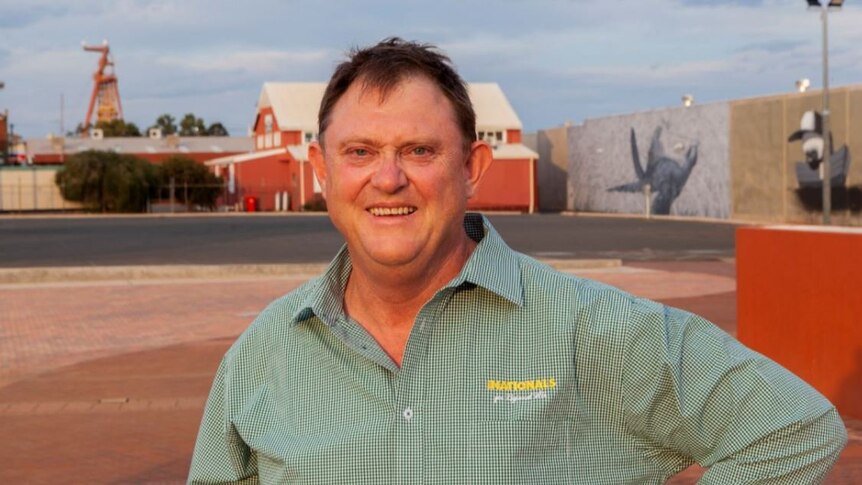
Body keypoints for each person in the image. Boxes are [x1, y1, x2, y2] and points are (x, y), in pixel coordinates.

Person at [189, 38, 846, 484]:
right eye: (359, 152)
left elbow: (796, 428)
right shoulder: (261, 354)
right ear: (322, 173)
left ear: (471, 169)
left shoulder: (592, 329)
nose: (387, 178)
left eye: (419, 151)